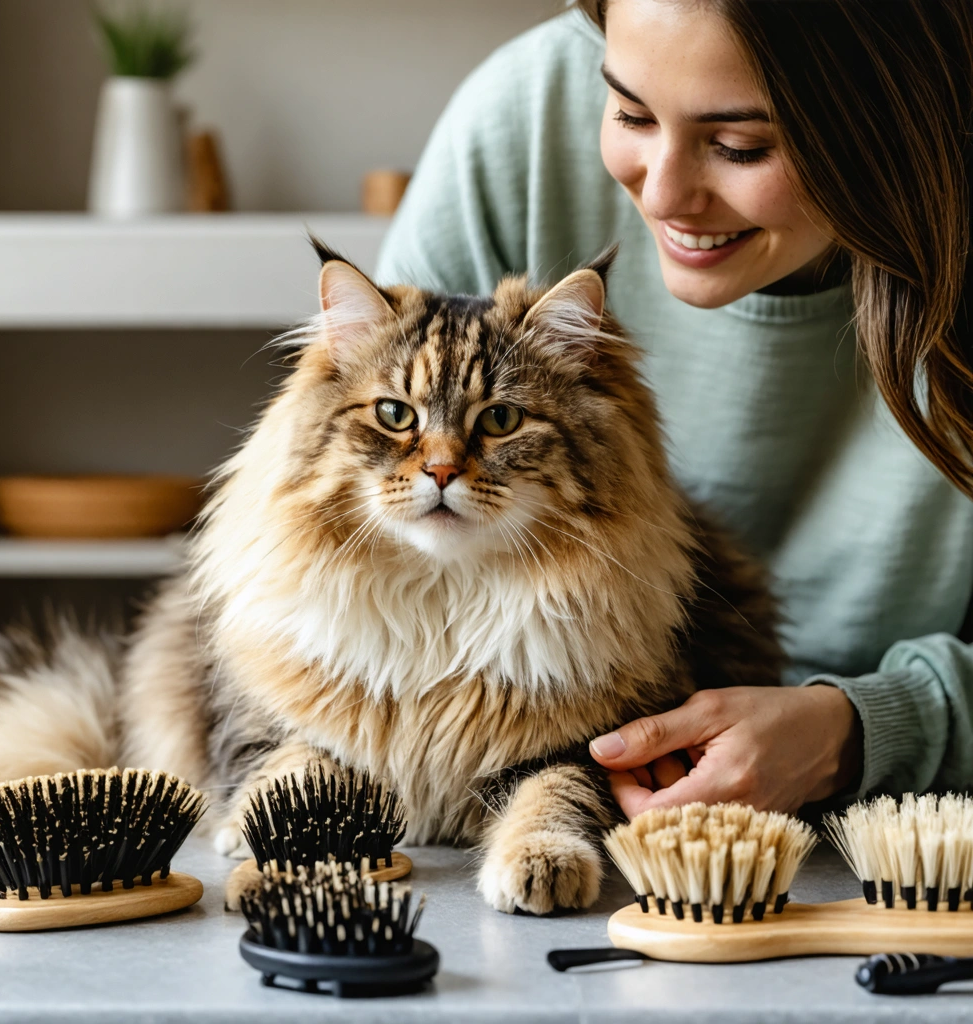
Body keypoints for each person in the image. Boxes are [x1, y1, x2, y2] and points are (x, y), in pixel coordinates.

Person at [375, 0, 973, 819]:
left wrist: (868, 727)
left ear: (897, 113)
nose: (662, 194)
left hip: (917, 813)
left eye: (740, 146)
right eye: (628, 113)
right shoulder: (525, 110)